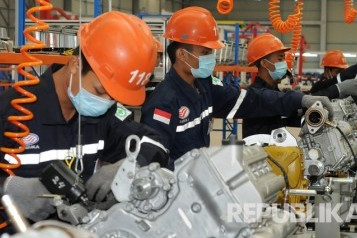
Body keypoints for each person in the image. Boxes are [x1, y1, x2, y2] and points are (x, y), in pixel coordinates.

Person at [0, 11, 168, 222]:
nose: (106, 101)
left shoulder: (105, 115)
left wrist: (129, 165)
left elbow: (157, 143)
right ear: (75, 65)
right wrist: (7, 190)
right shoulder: (0, 113)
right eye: (99, 90)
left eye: (114, 97)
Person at [140, 7, 333, 166]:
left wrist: (300, 99)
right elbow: (154, 163)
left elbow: (252, 100)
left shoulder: (205, 87)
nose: (211, 58)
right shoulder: (163, 102)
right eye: (205, 52)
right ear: (182, 55)